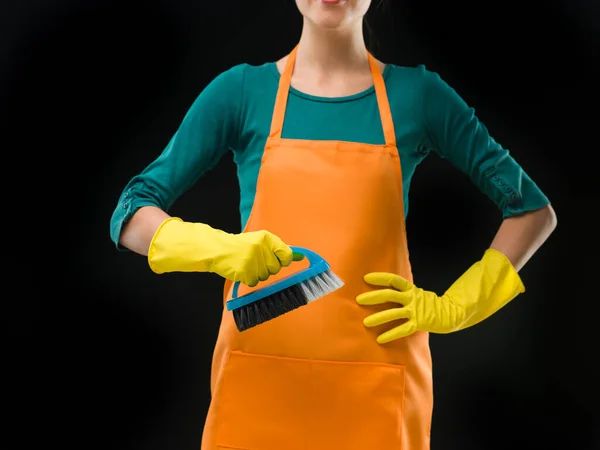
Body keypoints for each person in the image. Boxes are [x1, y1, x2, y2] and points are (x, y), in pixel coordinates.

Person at [109, 0, 557, 448]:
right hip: (259, 382)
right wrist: (217, 249)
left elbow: (532, 211)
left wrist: (458, 306)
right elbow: (130, 212)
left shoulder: (418, 96)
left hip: (377, 390)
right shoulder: (242, 93)